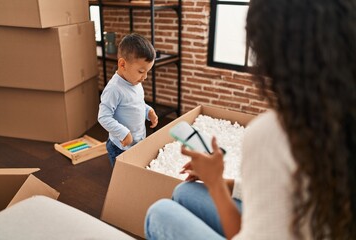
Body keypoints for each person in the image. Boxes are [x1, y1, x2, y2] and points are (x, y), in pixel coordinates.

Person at [144, 0, 356, 239]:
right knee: (185, 191)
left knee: (159, 212)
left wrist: (215, 185)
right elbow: (288, 193)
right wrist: (224, 182)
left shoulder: (274, 133)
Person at [98, 33, 159, 167]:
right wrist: (123, 133)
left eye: (147, 71)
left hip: (138, 141)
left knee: (136, 172)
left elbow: (135, 104)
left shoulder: (135, 82)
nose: (145, 77)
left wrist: (148, 111)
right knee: (122, 178)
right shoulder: (114, 89)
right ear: (122, 64)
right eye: (141, 71)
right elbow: (103, 117)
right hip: (121, 146)